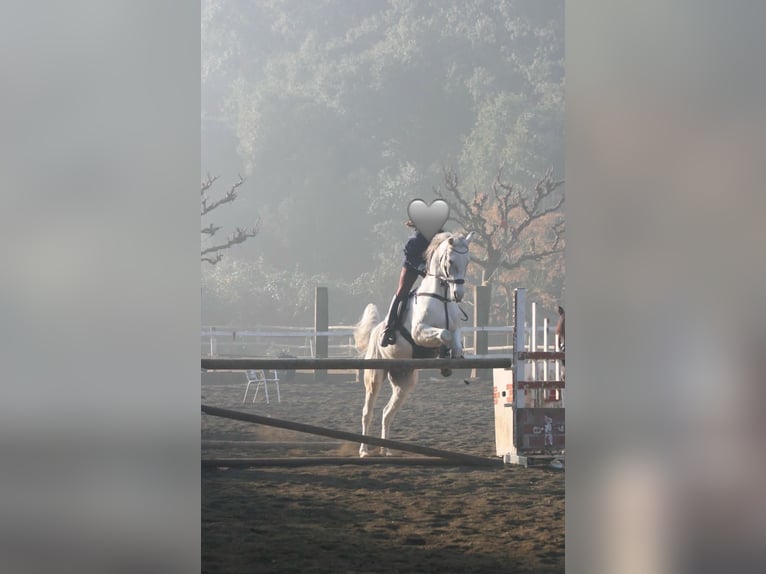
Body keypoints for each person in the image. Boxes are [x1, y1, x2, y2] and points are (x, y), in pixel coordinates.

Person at [380, 220, 436, 347]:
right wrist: (421, 267)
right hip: (411, 265)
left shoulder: (439, 235)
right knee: (402, 292)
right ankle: (388, 328)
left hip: (430, 267)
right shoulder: (416, 238)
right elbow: (409, 254)